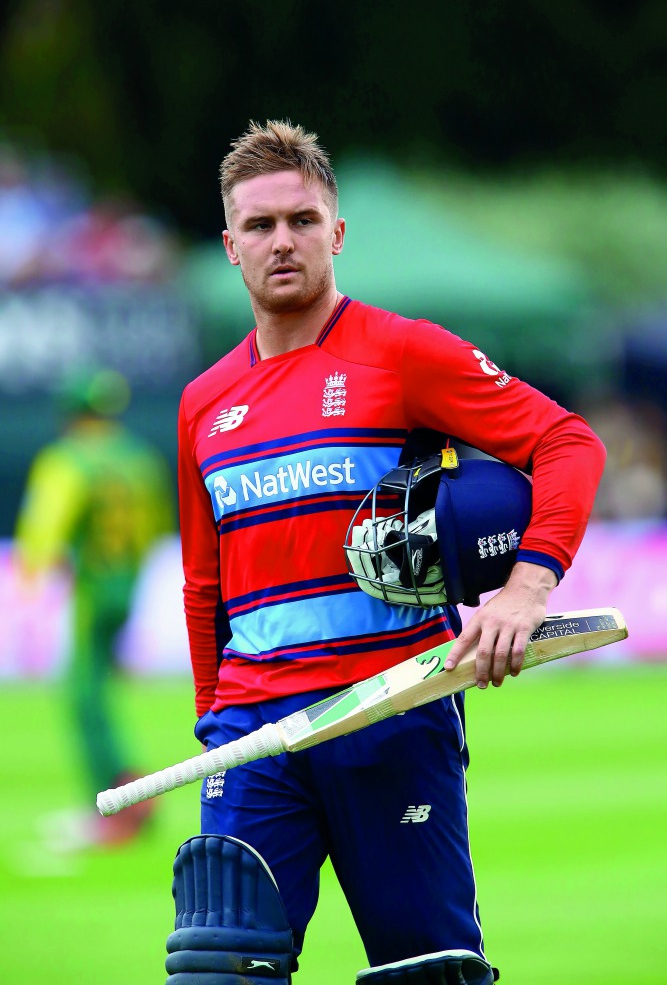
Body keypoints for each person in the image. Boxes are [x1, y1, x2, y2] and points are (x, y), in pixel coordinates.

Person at [172, 121, 605, 984]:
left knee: (426, 975)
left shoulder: (401, 353)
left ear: (335, 232)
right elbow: (202, 584)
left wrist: (524, 589)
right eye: (259, 225)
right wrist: (213, 720)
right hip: (255, 737)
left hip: (392, 711)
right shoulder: (202, 404)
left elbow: (566, 442)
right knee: (216, 973)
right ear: (229, 245)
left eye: (301, 220)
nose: (282, 240)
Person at [14, 367, 175, 847]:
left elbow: (45, 527)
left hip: (93, 588)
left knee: (85, 699)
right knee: (98, 692)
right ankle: (124, 797)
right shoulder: (138, 458)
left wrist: (32, 581)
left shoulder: (66, 459)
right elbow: (155, 528)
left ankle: (116, 802)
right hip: (126, 585)